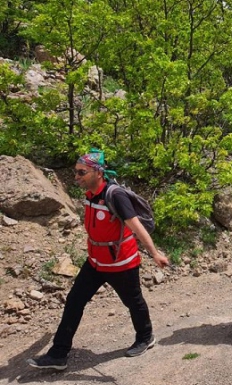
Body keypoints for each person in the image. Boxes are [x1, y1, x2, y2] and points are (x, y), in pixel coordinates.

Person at [28, 150, 169, 371]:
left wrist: (154, 253)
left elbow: (136, 227)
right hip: (95, 262)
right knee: (74, 301)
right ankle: (58, 354)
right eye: (76, 172)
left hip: (121, 263)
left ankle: (145, 337)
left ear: (98, 172)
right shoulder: (90, 195)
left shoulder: (115, 196)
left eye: (81, 172)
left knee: (133, 301)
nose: (76, 177)